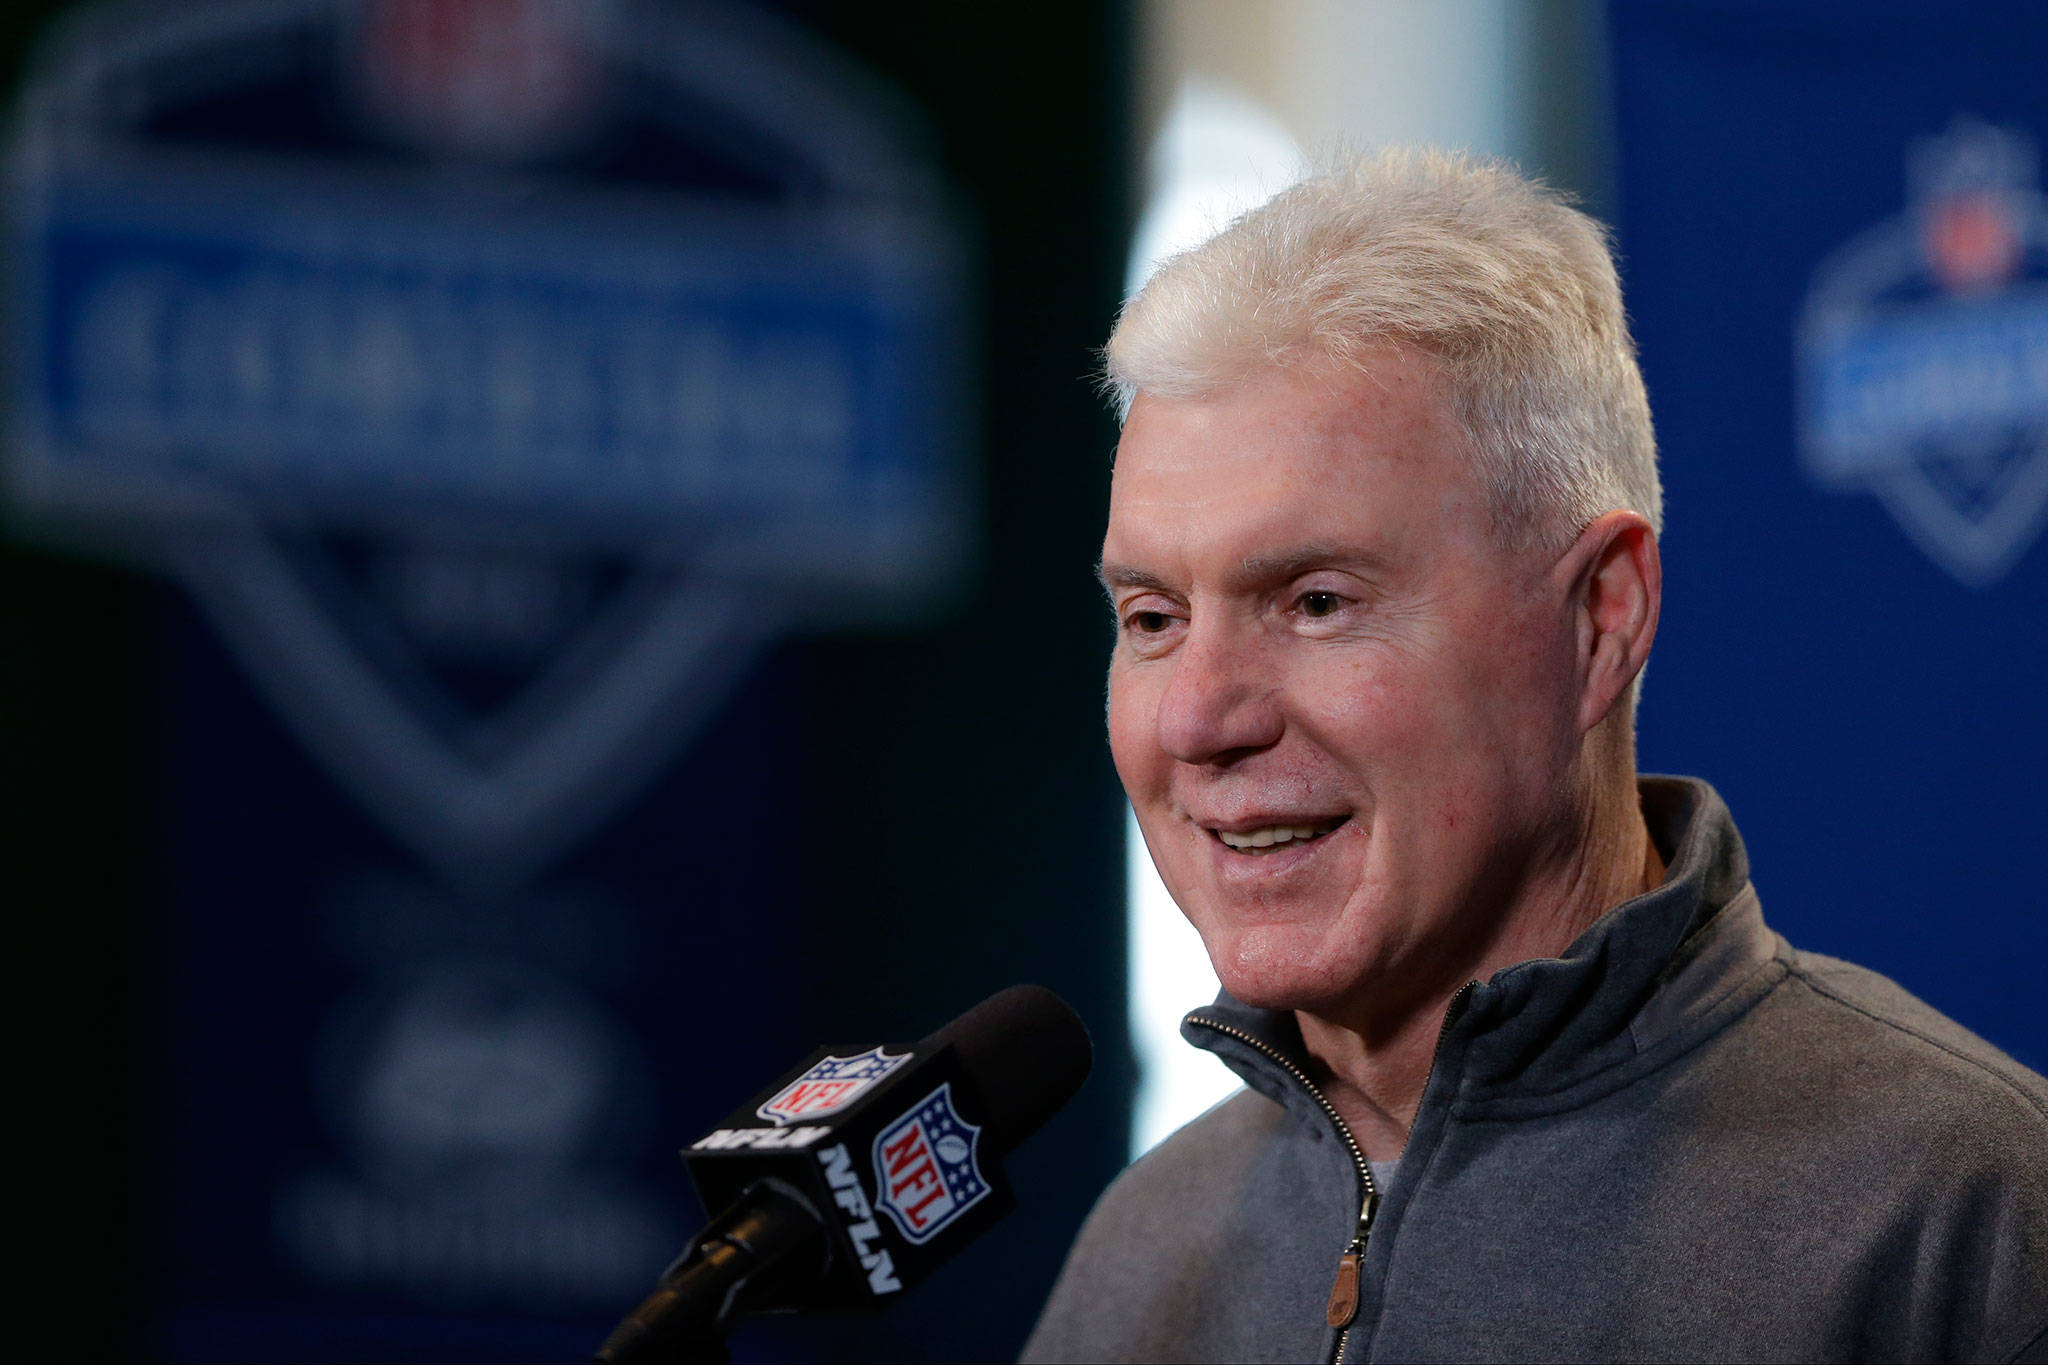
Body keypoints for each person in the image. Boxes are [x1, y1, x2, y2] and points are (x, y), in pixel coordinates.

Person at [1023, 149, 2048, 1364]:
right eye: (1151, 620)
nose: (1198, 720)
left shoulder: (1967, 1216)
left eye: (1314, 602)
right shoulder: (1144, 1253)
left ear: (1597, 618)